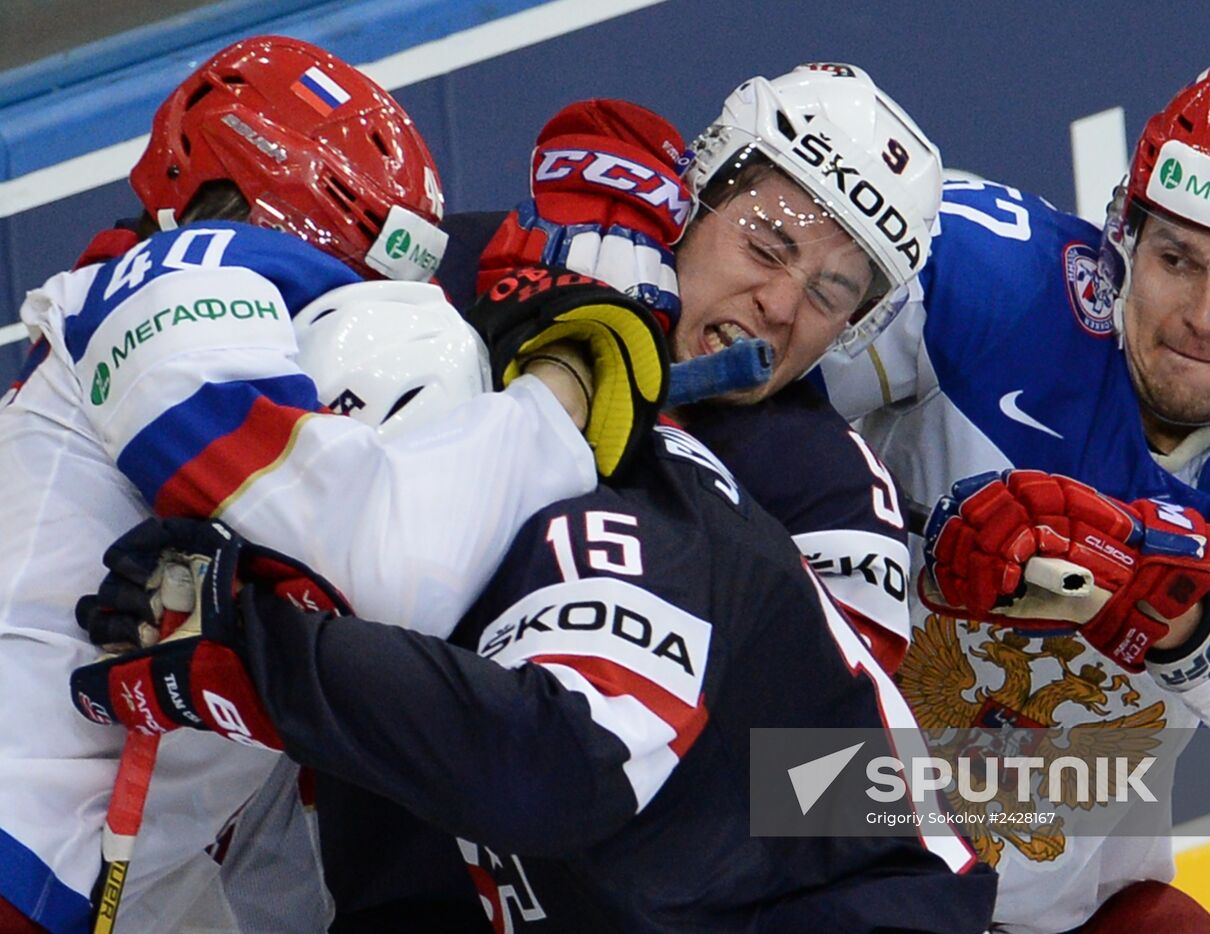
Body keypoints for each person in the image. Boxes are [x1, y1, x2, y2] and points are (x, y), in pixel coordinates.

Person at [67, 269, 998, 933]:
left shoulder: (614, 509)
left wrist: (267, 659)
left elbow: (555, 765)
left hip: (862, 889)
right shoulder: (387, 641)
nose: (318, 577)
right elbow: (411, 897)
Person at [0, 35, 663, 934]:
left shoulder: (802, 473)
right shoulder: (178, 289)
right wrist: (559, 394)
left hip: (104, 867)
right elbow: (383, 576)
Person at [817, 55, 1210, 932]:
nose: (1204, 315)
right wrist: (907, 543)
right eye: (1179, 258)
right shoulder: (982, 277)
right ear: (1124, 232)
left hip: (1047, 907)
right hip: (801, 832)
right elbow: (732, 414)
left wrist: (1182, 614)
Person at [439, 63, 944, 672]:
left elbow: (838, 766)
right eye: (763, 247)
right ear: (692, 202)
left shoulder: (832, 494)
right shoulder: (476, 269)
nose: (780, 307)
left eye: (828, 295)